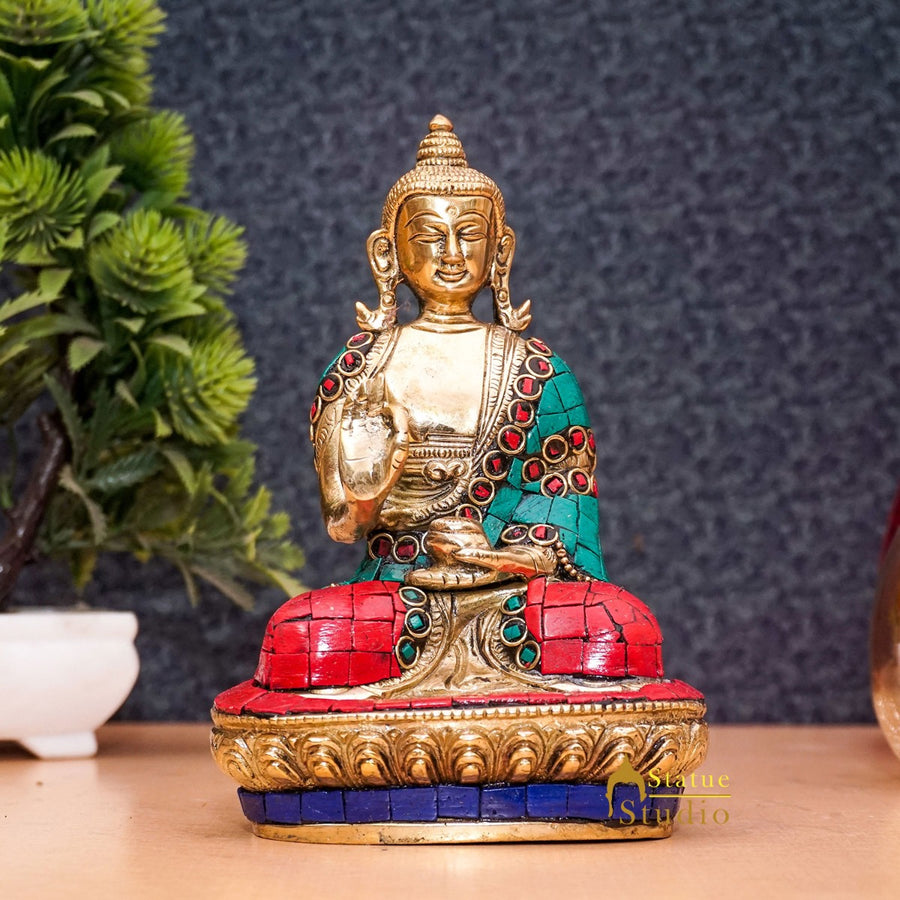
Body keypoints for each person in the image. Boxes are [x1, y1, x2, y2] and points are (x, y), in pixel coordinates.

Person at [254, 116, 664, 695]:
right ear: (386, 254)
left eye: (469, 234)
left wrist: (498, 557)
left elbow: (567, 507)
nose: (451, 253)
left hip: (516, 598)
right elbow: (343, 526)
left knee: (618, 627)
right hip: (396, 589)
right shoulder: (357, 371)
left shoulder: (539, 372)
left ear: (501, 249)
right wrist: (367, 496)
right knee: (304, 635)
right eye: (429, 235)